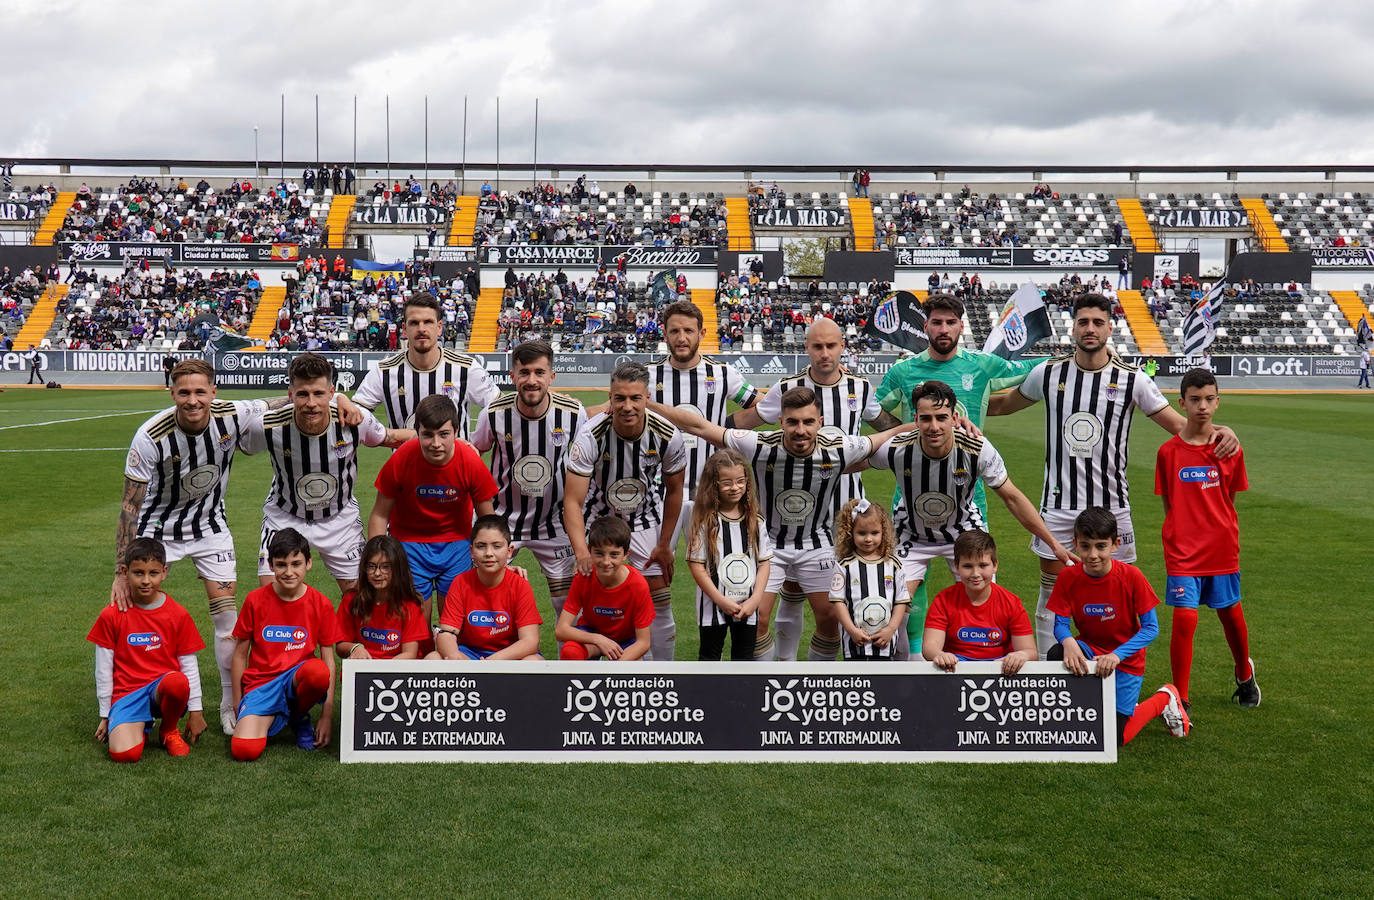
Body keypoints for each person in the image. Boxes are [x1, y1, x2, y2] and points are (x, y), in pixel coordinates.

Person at [990, 293, 1239, 654]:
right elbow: (1003, 405)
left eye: (1097, 322)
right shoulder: (1047, 373)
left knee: (1117, 595)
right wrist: (960, 409)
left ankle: (1114, 678)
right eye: (1083, 322)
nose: (1090, 329)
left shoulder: (1132, 379)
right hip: (1059, 504)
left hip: (1112, 505)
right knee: (1051, 591)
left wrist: (1220, 431)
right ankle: (1047, 673)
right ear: (1072, 326)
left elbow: (1180, 427)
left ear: (1110, 327)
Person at [112, 359, 305, 734]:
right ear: (172, 393)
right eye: (184, 392)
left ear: (213, 393)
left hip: (209, 527)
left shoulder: (232, 414)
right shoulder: (150, 436)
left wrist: (339, 399)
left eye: (200, 391)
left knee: (226, 620)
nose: (192, 400)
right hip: (157, 531)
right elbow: (129, 507)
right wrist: (122, 570)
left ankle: (230, 703)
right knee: (133, 613)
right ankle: (129, 701)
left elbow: (278, 403)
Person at [653, 386, 914, 661]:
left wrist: (920, 424)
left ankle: (817, 684)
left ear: (820, 423)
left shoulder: (840, 448)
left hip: (817, 543)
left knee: (829, 620)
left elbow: (886, 436)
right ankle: (766, 684)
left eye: (808, 422)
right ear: (781, 422)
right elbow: (700, 426)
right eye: (793, 422)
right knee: (756, 618)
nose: (800, 430)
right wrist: (649, 406)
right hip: (769, 546)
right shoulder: (759, 445)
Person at [868, 380, 1071, 652]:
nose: (934, 427)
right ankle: (902, 677)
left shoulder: (976, 447)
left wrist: (1052, 542)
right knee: (891, 607)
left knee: (985, 602)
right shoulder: (899, 447)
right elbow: (851, 461)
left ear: (955, 418)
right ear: (915, 419)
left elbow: (1012, 497)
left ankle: (979, 666)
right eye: (925, 419)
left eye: (942, 418)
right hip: (911, 535)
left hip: (964, 531)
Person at [731, 317, 884, 654]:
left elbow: (883, 426)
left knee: (837, 601)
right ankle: (784, 664)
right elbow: (750, 420)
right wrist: (711, 427)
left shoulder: (861, 387)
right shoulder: (786, 388)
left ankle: (822, 672)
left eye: (831, 346)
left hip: (847, 512)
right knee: (790, 586)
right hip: (794, 509)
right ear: (807, 348)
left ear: (843, 346)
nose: (825, 353)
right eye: (817, 346)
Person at [241, 353, 409, 596]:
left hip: (339, 519)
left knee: (362, 597)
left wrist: (452, 440)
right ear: (290, 395)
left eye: (318, 394)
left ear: (331, 393)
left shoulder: (354, 421)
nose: (311, 403)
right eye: (302, 394)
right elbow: (233, 444)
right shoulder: (268, 426)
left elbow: (388, 437)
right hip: (285, 516)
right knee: (272, 598)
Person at [564, 361, 686, 660]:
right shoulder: (590, 435)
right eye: (619, 398)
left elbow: (675, 492)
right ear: (611, 397)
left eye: (635, 398)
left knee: (660, 598)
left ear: (647, 398)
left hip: (646, 520)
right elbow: (572, 501)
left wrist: (665, 544)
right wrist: (581, 550)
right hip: (600, 522)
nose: (627, 406)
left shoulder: (668, 435)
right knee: (587, 592)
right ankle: (580, 662)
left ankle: (662, 673)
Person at [1155, 368, 1258, 710]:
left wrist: (1214, 526)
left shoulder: (1231, 449)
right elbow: (1170, 503)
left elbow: (1229, 499)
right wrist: (1182, 531)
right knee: (1185, 619)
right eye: (1195, 400)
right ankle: (1180, 700)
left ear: (1218, 402)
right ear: (1181, 403)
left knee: (1230, 613)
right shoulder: (1167, 453)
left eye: (1209, 399)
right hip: (1182, 550)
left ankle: (1244, 673)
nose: (1202, 406)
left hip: (1220, 547)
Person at [1046, 507, 1191, 743]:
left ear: (1115, 544)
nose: (1093, 554)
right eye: (1085, 546)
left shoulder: (1132, 576)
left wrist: (1117, 655)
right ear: (1075, 544)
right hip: (1090, 652)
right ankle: (1077, 709)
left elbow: (1151, 628)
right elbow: (1060, 624)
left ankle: (1164, 698)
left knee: (1114, 739)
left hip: (1125, 661)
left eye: (1101, 546)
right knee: (1057, 653)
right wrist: (1068, 641)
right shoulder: (1068, 577)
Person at [471, 340, 586, 621]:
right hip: (502, 519)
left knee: (567, 607)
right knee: (486, 596)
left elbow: (586, 465)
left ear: (552, 376)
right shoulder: (494, 413)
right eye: (524, 373)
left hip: (554, 522)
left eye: (539, 372)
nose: (531, 380)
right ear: (512, 376)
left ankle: (568, 662)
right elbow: (475, 456)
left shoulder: (572, 413)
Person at [368, 394, 498, 631]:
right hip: (409, 544)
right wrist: (377, 557)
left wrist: (492, 556)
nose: (436, 443)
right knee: (418, 628)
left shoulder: (470, 461)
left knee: (454, 626)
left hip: (456, 544)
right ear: (417, 431)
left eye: (444, 434)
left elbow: (488, 521)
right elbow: (379, 515)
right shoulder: (402, 458)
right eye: (427, 434)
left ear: (457, 431)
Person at [649, 300, 759, 550]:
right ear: (664, 334)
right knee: (655, 571)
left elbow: (762, 407)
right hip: (658, 494)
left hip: (710, 492)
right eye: (674, 331)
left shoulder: (721, 374)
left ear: (702, 333)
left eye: (688, 331)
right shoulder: (648, 376)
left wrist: (726, 431)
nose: (681, 337)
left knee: (717, 570)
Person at [229, 528, 344, 761]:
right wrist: (237, 702)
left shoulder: (320, 603)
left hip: (297, 678)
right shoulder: (254, 600)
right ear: (270, 565)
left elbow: (329, 660)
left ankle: (299, 715)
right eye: (281, 564)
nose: (289, 572)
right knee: (244, 750)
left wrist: (326, 714)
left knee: (318, 671)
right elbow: (240, 656)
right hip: (261, 683)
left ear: (309, 563)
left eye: (296, 563)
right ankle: (278, 713)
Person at [88, 538, 204, 761]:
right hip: (127, 694)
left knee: (177, 681)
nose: (146, 580)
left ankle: (169, 730)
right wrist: (105, 714)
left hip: (162, 691)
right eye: (138, 573)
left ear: (165, 572)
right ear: (125, 571)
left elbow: (189, 663)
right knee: (125, 755)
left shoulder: (178, 614)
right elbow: (103, 669)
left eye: (153, 573)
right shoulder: (111, 615)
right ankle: (139, 725)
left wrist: (196, 711)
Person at [352, 294, 499, 439]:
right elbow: (355, 413)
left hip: (454, 463)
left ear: (439, 327)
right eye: (414, 323)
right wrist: (340, 397)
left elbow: (501, 410)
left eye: (428, 322)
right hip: (406, 463)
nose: (421, 329)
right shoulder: (383, 372)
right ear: (404, 329)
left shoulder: (466, 368)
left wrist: (476, 447)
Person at [686, 449, 772, 661]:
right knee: (709, 657)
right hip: (713, 605)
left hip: (748, 604)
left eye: (740, 481)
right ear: (712, 485)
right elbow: (696, 566)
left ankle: (740, 695)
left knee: (743, 659)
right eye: (727, 482)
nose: (735, 488)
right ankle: (709, 695)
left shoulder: (756, 521)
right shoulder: (706, 522)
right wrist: (720, 600)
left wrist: (756, 599)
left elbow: (764, 564)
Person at [922, 530, 1036, 674]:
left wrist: (1021, 655)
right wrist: (939, 655)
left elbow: (1030, 651)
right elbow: (929, 647)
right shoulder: (944, 600)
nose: (975, 574)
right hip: (956, 669)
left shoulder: (1011, 602)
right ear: (956, 567)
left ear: (995, 565)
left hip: (1000, 669)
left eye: (983, 565)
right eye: (968, 566)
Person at [430, 515, 542, 661]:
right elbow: (446, 634)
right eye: (481, 546)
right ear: (471, 551)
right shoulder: (460, 582)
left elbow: (530, 641)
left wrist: (492, 662)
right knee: (433, 658)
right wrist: (455, 656)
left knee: (533, 661)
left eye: (496, 546)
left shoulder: (520, 585)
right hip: (469, 654)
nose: (489, 553)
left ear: (509, 551)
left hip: (509, 655)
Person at [555, 516, 654, 661]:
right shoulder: (584, 577)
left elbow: (643, 642)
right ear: (589, 551)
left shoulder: (637, 585)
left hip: (627, 641)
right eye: (599, 553)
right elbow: (561, 630)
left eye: (614, 554)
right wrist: (598, 639)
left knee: (633, 668)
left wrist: (613, 670)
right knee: (571, 651)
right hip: (593, 636)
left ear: (626, 554)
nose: (606, 562)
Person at [830, 499, 909, 660]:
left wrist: (891, 629)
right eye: (862, 533)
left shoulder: (893, 565)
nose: (868, 539)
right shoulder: (844, 566)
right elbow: (837, 602)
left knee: (884, 683)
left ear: (883, 532)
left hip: (885, 642)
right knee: (857, 682)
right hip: (855, 642)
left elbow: (901, 602)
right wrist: (852, 630)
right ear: (851, 532)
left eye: (874, 533)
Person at [335, 535, 428, 661]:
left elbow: (409, 654)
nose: (377, 573)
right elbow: (340, 645)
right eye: (371, 566)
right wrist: (355, 648)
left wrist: (381, 672)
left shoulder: (410, 604)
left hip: (397, 669)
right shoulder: (352, 600)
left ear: (398, 569)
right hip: (363, 668)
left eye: (385, 567)